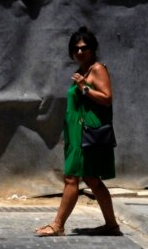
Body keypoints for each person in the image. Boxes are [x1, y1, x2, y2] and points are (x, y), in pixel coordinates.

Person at [35, 26, 121, 237]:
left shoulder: (97, 69)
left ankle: (58, 224)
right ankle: (111, 225)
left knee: (72, 178)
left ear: (92, 49)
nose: (80, 52)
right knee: (91, 179)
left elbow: (107, 97)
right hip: (76, 131)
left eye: (84, 48)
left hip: (86, 132)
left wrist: (84, 87)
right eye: (76, 49)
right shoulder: (84, 71)